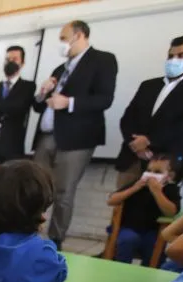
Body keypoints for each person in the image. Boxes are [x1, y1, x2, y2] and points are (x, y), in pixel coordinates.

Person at [33, 20, 118, 250]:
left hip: (76, 138)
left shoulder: (102, 60)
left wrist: (69, 102)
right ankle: (28, 232)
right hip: (47, 135)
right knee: (35, 187)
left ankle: (54, 240)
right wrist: (42, 93)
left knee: (63, 191)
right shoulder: (60, 69)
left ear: (79, 35)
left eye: (63, 38)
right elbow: (39, 106)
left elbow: (105, 99)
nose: (61, 43)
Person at [116, 35, 183, 186]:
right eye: (171, 55)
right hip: (132, 158)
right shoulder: (148, 85)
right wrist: (135, 144)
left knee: (153, 206)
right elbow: (128, 117)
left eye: (182, 55)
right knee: (121, 204)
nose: (174, 60)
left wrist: (149, 140)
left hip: (167, 162)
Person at [106, 154, 183, 265]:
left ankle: (148, 272)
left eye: (157, 172)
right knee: (128, 239)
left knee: (155, 246)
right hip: (128, 227)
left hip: (152, 231)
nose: (151, 175)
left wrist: (157, 191)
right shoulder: (138, 184)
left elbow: (171, 211)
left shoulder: (171, 189)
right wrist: (134, 188)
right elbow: (111, 200)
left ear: (170, 176)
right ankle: (120, 267)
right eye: (149, 170)